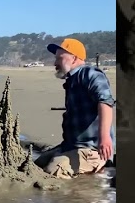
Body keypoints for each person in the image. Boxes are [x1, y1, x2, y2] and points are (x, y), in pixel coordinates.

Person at [33, 38, 115, 178]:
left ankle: (95, 177)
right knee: (37, 164)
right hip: (71, 145)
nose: (55, 63)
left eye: (59, 58)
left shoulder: (90, 74)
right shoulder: (71, 80)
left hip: (92, 149)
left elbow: (105, 102)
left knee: (54, 171)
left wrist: (105, 137)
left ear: (74, 58)